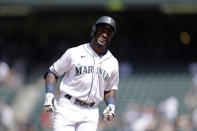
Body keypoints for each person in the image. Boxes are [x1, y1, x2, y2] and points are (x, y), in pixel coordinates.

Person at [43, 16, 119, 131]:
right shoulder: (74, 52)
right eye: (101, 30)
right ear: (94, 31)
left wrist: (111, 105)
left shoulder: (113, 62)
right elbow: (53, 72)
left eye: (108, 32)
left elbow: (110, 89)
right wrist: (49, 94)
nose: (104, 34)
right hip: (68, 106)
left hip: (91, 112)